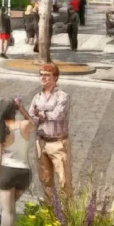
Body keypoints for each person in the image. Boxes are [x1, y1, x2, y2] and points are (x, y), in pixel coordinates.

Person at [0, 98, 34, 226]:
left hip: (7, 173)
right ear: (14, 111)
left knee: (8, 211)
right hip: (24, 173)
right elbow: (33, 122)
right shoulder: (24, 125)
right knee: (9, 208)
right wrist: (22, 109)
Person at [27, 63, 71, 206]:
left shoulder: (63, 97)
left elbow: (57, 115)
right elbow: (31, 117)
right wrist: (38, 116)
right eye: (41, 75)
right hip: (41, 142)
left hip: (58, 143)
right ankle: (49, 209)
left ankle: (67, 211)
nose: (43, 78)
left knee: (64, 181)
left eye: (47, 75)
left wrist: (40, 113)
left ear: (55, 77)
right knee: (45, 179)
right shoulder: (37, 97)